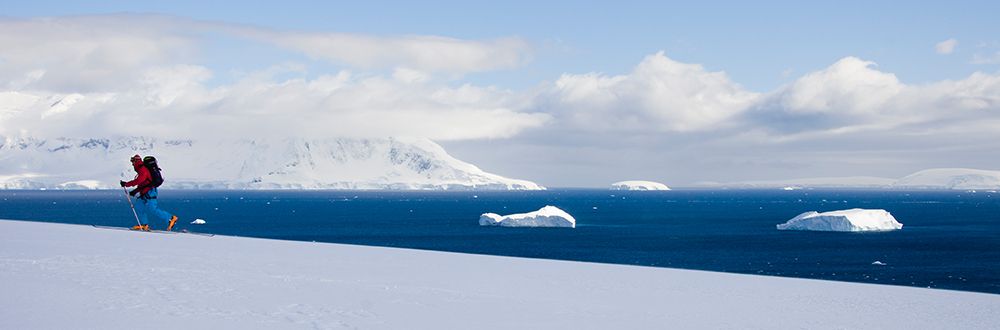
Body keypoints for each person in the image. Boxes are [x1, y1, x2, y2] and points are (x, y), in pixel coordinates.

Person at [120, 154, 179, 231]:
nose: (132, 164)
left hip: (150, 192)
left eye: (133, 162)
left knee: (153, 209)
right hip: (145, 192)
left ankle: (171, 218)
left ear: (136, 161)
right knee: (139, 207)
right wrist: (135, 191)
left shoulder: (143, 169)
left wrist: (126, 184)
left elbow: (139, 181)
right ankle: (144, 225)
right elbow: (144, 183)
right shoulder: (141, 169)